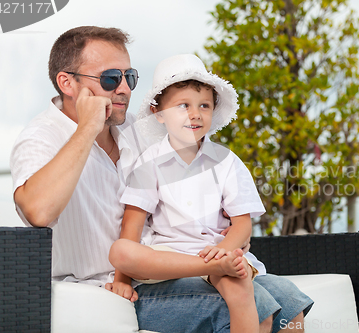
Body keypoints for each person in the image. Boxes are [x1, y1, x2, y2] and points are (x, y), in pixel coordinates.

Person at [9, 26, 312, 332]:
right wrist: (87, 127)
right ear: (67, 83)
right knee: (250, 305)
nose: (125, 89)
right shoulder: (40, 138)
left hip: (168, 267)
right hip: (109, 286)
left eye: (130, 78)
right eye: (111, 78)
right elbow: (38, 211)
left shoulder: (134, 130)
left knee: (288, 300)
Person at [108, 54, 294, 333]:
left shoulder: (227, 161)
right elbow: (131, 227)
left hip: (221, 254)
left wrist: (223, 251)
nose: (195, 114)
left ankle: (224, 274)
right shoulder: (149, 165)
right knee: (121, 250)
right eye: (183, 106)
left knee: (291, 303)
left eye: (204, 106)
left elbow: (242, 223)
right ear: (158, 113)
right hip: (173, 259)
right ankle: (221, 274)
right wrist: (122, 279)